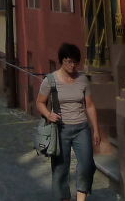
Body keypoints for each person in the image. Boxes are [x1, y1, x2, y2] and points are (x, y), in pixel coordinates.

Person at [36, 42, 102, 201]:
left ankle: (81, 197)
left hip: (81, 128)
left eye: (75, 62)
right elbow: (39, 102)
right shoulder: (50, 81)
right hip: (60, 129)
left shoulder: (83, 79)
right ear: (62, 61)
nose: (72, 65)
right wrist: (48, 114)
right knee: (60, 170)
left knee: (87, 165)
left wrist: (96, 130)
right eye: (69, 62)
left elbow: (90, 105)